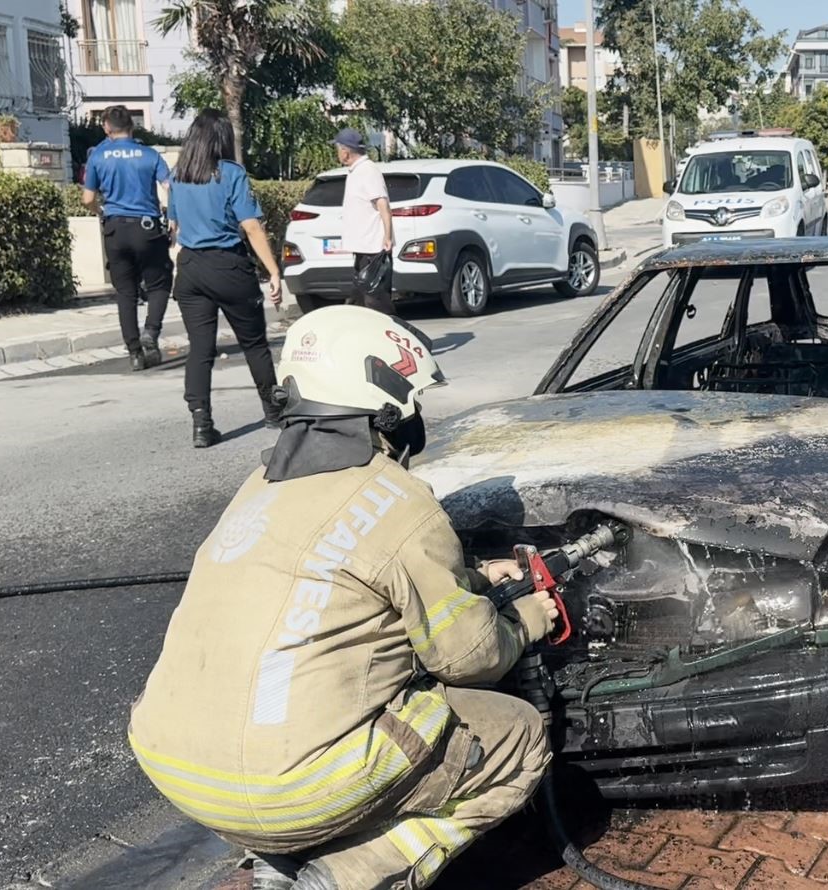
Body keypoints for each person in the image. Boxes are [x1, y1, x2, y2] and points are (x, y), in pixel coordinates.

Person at [128, 306, 557, 890]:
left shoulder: (258, 490)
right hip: (288, 788)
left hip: (181, 770)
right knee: (518, 735)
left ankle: (275, 859)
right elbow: (468, 658)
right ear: (389, 406)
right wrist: (525, 619)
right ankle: (349, 874)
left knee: (327, 706)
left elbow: (346, 576)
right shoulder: (399, 499)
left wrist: (475, 576)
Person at [168, 109, 283, 448]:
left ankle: (201, 424)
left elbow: (174, 227)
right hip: (228, 267)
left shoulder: (179, 176)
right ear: (222, 140)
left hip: (190, 270)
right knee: (253, 343)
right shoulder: (232, 174)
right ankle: (273, 410)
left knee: (200, 350)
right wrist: (273, 270)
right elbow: (250, 226)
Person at [82, 105, 173, 371]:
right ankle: (151, 332)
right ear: (132, 127)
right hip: (147, 229)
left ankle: (134, 352)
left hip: (115, 229)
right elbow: (169, 186)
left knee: (125, 292)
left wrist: (101, 211)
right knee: (159, 283)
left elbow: (88, 198)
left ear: (107, 127)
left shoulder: (98, 157)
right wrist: (175, 218)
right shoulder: (149, 155)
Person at [334, 128, 395, 315]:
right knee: (361, 301)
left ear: (345, 151)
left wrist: (387, 236)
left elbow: (382, 203)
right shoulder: (356, 171)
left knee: (376, 301)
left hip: (374, 249)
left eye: (337, 148)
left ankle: (389, 337)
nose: (337, 153)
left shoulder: (368, 171)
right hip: (363, 249)